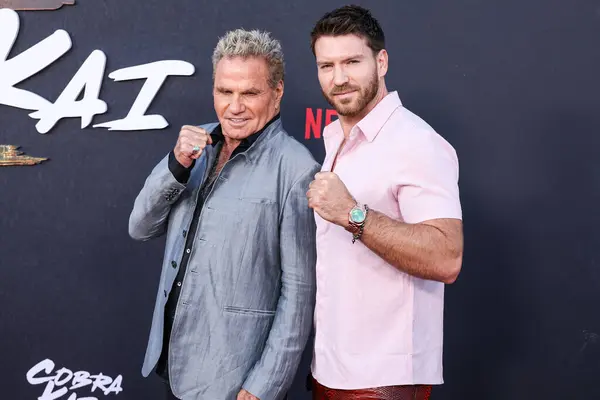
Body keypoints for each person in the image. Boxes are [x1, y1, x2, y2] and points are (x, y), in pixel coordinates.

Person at [128, 28, 320, 400]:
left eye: (249, 93)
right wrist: (177, 164)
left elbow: (298, 295)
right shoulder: (193, 145)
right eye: (224, 91)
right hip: (173, 361)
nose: (235, 106)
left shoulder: (296, 169)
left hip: (233, 378)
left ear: (276, 94)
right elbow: (139, 226)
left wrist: (265, 385)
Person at [306, 5, 464, 399]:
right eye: (327, 66)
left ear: (381, 61)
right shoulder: (336, 138)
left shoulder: (415, 142)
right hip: (328, 370)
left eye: (352, 62)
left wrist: (352, 214)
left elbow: (447, 256)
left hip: (384, 380)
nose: (339, 78)